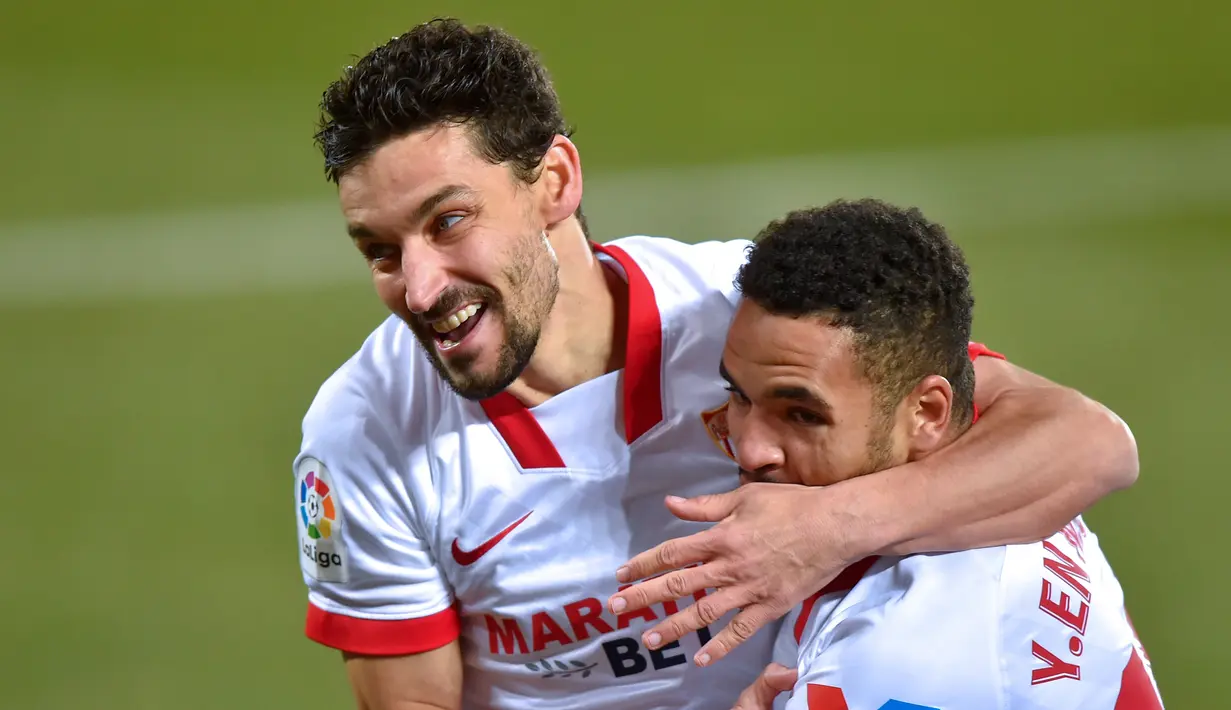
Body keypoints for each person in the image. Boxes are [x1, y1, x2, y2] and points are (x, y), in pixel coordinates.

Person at [293, 18, 1139, 709]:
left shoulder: (748, 316)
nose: (417, 285)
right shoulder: (364, 433)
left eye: (447, 222)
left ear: (553, 181)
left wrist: (824, 532)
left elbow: (1083, 442)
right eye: (378, 249)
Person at [719, 199, 1162, 709]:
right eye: (737, 395)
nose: (750, 448)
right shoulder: (996, 486)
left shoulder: (898, 659)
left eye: (802, 416)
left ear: (928, 412)